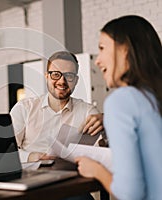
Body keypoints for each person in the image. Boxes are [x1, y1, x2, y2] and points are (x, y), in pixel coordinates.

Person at [75, 15, 162, 200]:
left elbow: (130, 194)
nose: (97, 61)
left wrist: (95, 170)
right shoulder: (153, 98)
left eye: (102, 48)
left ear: (125, 50)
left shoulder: (121, 100)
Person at [10, 51, 104, 163]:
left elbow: (102, 151)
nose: (61, 81)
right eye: (56, 74)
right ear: (47, 76)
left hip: (73, 176)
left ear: (76, 80)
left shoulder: (89, 112)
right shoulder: (24, 108)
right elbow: (5, 152)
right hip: (31, 175)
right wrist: (30, 157)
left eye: (69, 76)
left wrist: (107, 120)